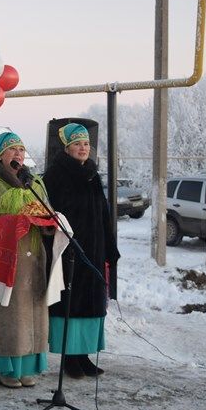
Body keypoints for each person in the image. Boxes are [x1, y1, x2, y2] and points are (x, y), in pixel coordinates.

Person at [42, 123, 120, 378]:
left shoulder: (92, 174)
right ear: (67, 148)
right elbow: (53, 213)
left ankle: (84, 355)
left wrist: (109, 247)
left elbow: (103, 213)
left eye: (86, 144)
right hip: (70, 250)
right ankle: (70, 358)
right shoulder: (55, 175)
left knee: (91, 303)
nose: (83, 148)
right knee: (72, 304)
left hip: (93, 250)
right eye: (77, 144)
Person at [0, 132, 51, 388]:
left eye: (21, 149)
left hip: (34, 257)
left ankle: (28, 366)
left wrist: (48, 221)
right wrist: (14, 222)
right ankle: (7, 369)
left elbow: (47, 211)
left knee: (34, 313)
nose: (18, 154)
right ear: (0, 155)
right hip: (7, 260)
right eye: (11, 150)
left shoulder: (35, 183)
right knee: (8, 315)